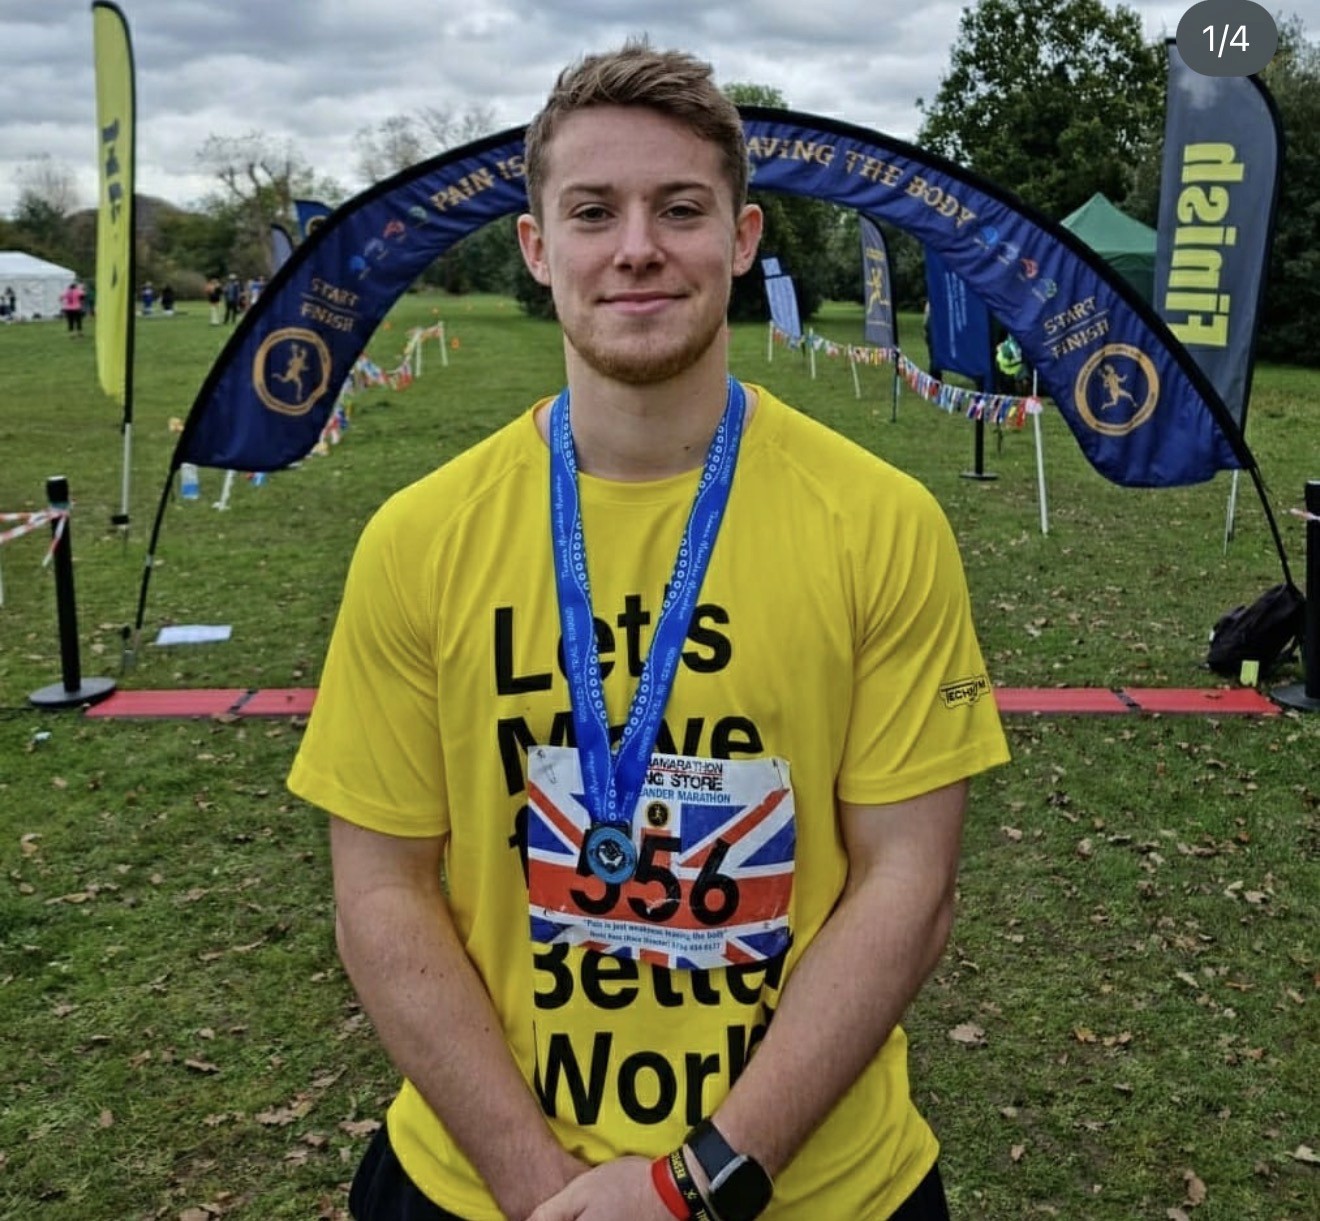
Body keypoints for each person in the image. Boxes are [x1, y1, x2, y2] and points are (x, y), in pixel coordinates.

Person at [288, 41, 1010, 1221]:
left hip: (818, 1189)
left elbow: (908, 881)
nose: (636, 247)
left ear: (742, 237)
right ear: (537, 248)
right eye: (592, 212)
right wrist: (543, 1191)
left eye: (680, 208)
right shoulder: (417, 539)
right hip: (481, 1187)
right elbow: (378, 891)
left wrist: (697, 1183)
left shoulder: (882, 524)